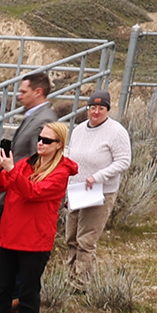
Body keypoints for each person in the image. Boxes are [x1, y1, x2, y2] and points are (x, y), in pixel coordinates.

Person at [0, 120, 77, 313]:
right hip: (10, 236)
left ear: (60, 145)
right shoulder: (26, 164)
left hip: (35, 241)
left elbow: (34, 193)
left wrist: (12, 171)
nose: (41, 143)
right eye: (40, 139)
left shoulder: (61, 172)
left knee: (28, 293)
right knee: (2, 289)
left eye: (47, 140)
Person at [61, 91, 131, 284]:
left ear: (108, 110)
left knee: (87, 239)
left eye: (101, 108)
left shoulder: (116, 132)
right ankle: (70, 276)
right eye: (93, 108)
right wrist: (67, 188)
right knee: (71, 235)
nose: (96, 112)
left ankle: (81, 281)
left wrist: (99, 176)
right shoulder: (79, 130)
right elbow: (72, 157)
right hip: (77, 189)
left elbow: (124, 161)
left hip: (100, 191)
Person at [6, 72, 62, 163]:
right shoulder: (34, 116)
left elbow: (38, 160)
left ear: (38, 92)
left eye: (24, 92)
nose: (20, 97)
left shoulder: (45, 119)